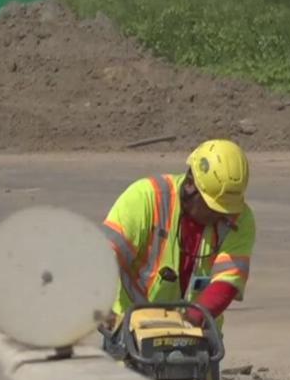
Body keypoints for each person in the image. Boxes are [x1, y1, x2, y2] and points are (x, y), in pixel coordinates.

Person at [98, 139, 255, 347]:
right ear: (191, 185)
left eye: (226, 209)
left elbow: (227, 281)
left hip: (199, 339)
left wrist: (187, 327)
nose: (221, 215)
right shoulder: (146, 198)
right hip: (130, 336)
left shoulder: (239, 219)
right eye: (213, 207)